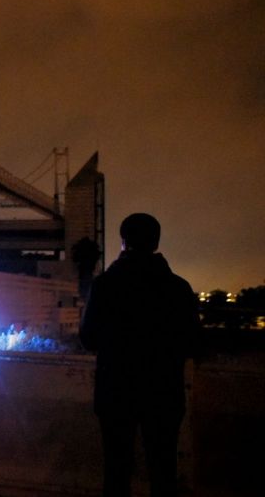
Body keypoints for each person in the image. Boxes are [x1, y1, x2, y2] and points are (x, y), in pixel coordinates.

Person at [79, 213, 200, 497]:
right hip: (164, 394)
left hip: (115, 393)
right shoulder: (178, 288)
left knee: (116, 471)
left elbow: (88, 338)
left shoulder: (105, 285)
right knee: (163, 471)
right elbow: (194, 342)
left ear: (123, 242)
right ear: (156, 242)